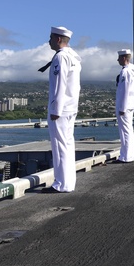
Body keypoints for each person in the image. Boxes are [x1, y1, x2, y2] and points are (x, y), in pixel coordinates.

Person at [44, 26, 81, 193]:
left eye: (51, 37)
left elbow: (60, 85)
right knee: (67, 144)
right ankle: (67, 182)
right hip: (70, 107)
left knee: (60, 146)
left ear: (58, 39)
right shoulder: (73, 57)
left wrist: (55, 110)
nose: (49, 41)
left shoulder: (61, 58)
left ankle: (61, 184)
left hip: (61, 109)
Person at [115, 49, 134, 162]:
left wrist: (122, 108)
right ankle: (126, 155)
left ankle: (126, 156)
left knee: (125, 131)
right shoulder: (133, 71)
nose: (117, 60)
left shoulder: (126, 72)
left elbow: (125, 90)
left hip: (124, 106)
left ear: (124, 58)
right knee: (127, 130)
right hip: (129, 105)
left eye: (119, 58)